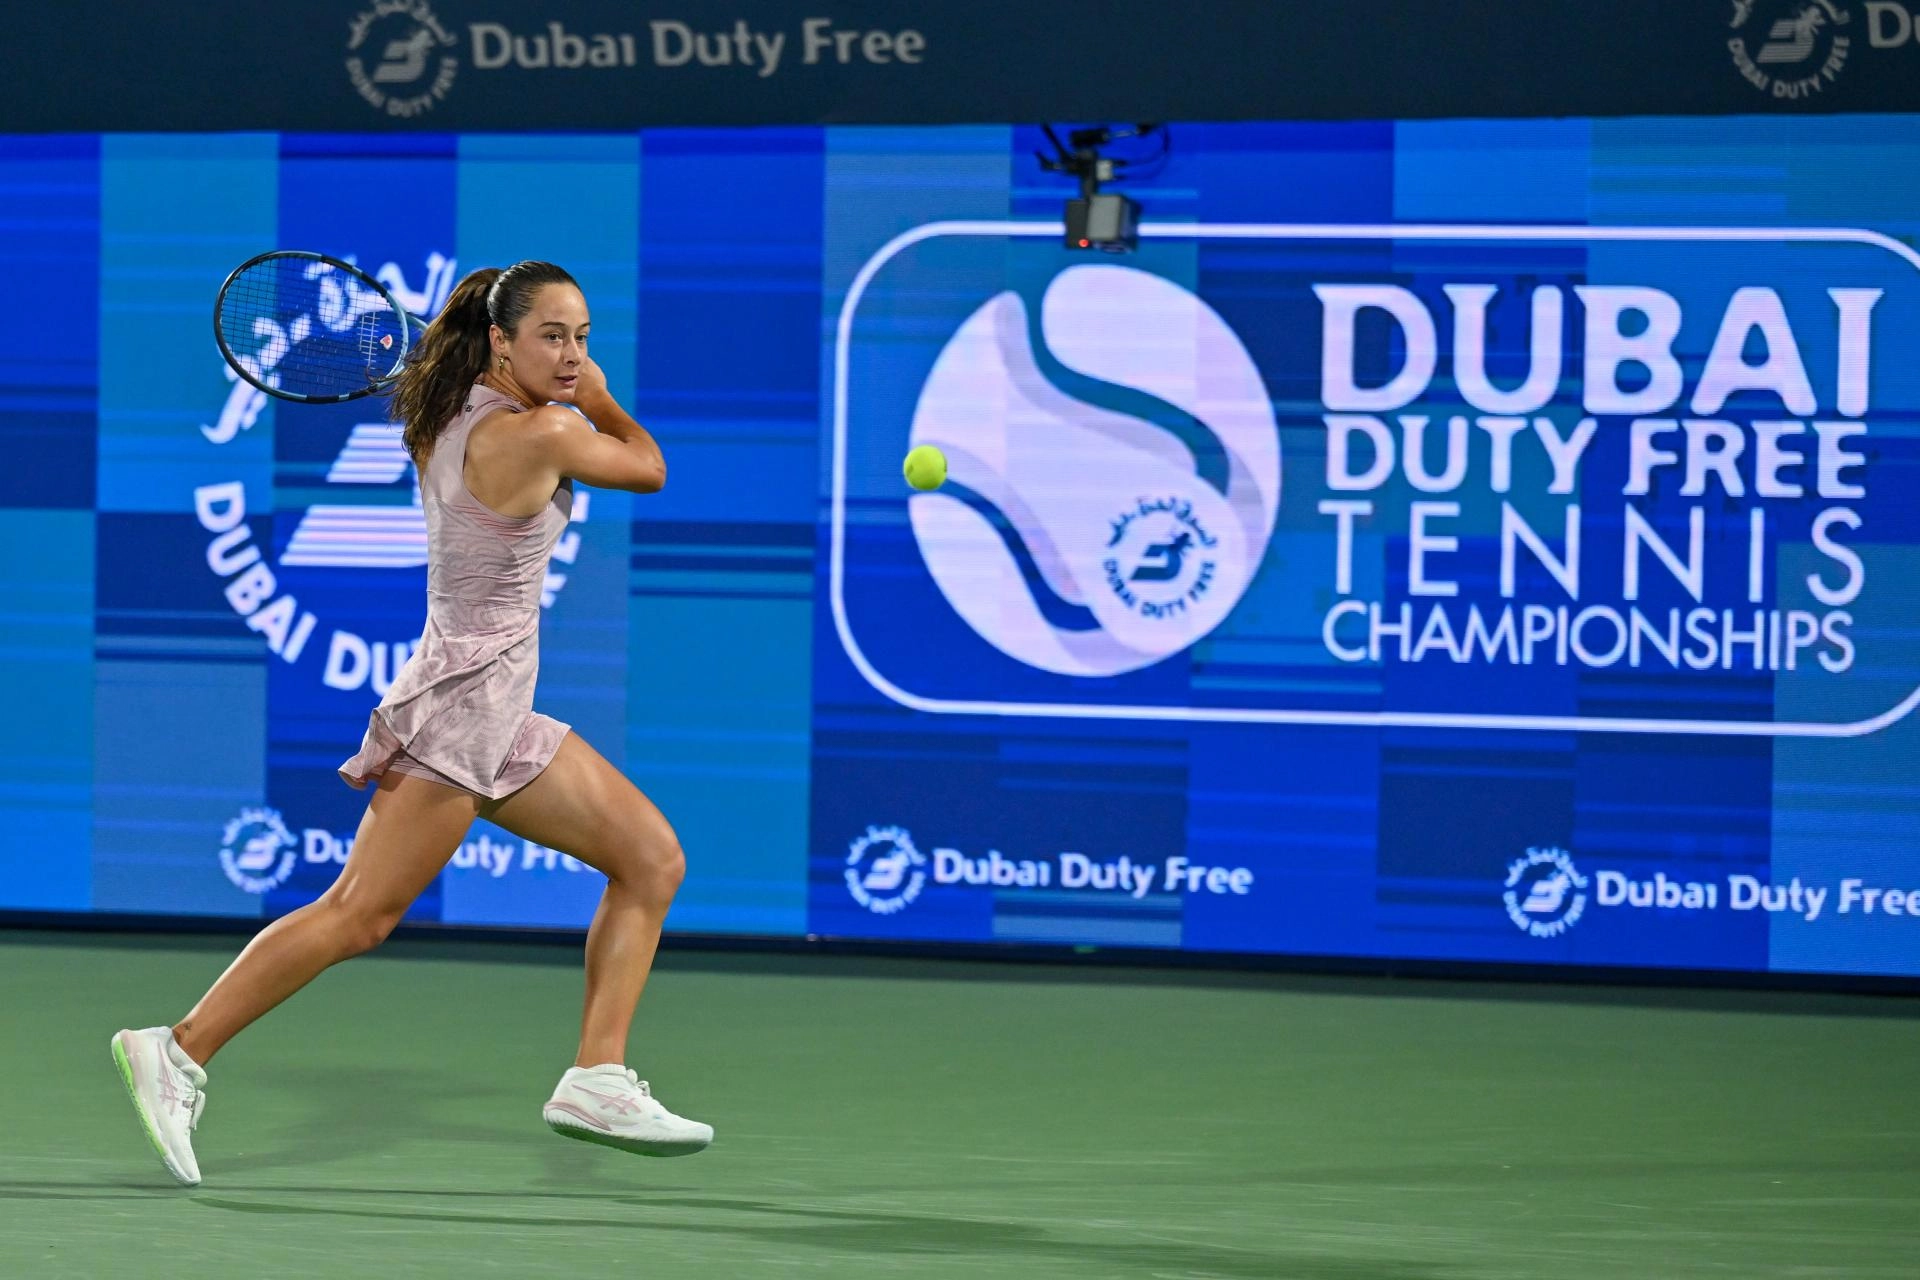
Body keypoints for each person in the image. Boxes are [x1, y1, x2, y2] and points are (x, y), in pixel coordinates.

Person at [111, 261, 710, 1186]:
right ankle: (178, 1048)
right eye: (553, 336)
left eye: (583, 339)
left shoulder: (451, 411)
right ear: (501, 341)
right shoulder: (546, 431)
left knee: (651, 860)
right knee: (359, 913)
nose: (572, 355)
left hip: (498, 713)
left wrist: (545, 376)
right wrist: (599, 397)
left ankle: (596, 1076)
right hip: (465, 712)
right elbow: (650, 468)